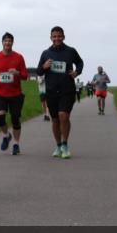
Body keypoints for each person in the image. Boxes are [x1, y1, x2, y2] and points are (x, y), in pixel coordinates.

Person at [36, 26, 83, 159]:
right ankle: (58, 146)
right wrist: (44, 67)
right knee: (55, 120)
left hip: (67, 89)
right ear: (51, 38)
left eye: (59, 36)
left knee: (63, 115)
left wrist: (77, 72)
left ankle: (65, 145)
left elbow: (80, 63)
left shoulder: (71, 51)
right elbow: (39, 71)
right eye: (54, 36)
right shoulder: (45, 53)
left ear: (63, 36)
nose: (57, 38)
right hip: (51, 91)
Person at [0, 32, 29, 155]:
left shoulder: (19, 57)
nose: (7, 43)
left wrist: (17, 73)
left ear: (12, 43)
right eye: (5, 40)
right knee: (0, 117)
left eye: (9, 41)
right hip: (1, 92)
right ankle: (6, 135)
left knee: (15, 119)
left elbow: (25, 76)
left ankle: (16, 144)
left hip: (16, 93)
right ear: (2, 42)